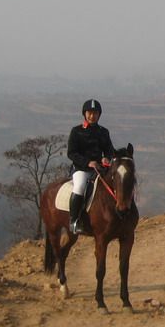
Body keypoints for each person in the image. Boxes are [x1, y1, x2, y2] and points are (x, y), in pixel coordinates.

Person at [67, 99, 115, 233]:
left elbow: (110, 150)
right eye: (89, 113)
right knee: (80, 187)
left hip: (100, 169)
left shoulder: (104, 132)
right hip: (81, 169)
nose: (92, 116)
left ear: (99, 115)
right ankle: (74, 221)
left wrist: (107, 158)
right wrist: (87, 162)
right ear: (84, 114)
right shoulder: (76, 131)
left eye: (95, 113)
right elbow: (71, 153)